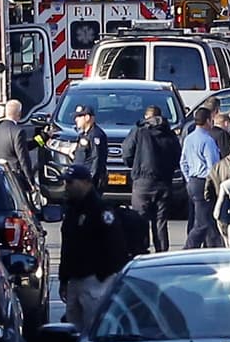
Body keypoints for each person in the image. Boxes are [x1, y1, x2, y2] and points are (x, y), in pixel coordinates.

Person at [58, 164, 130, 331]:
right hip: (75, 280)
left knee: (95, 329)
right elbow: (67, 246)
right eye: (66, 183)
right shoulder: (72, 209)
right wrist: (63, 279)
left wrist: (102, 276)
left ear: (85, 182)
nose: (66, 187)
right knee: (72, 332)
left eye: (70, 182)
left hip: (95, 280)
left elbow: (116, 245)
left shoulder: (100, 210)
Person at [121, 104, 182, 253]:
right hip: (164, 183)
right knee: (160, 222)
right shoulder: (170, 133)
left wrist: (134, 165)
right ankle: (161, 253)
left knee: (140, 220)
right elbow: (177, 156)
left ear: (147, 117)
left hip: (143, 182)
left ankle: (141, 251)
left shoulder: (139, 131)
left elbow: (127, 152)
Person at [181, 107, 222, 249]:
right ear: (207, 121)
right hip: (204, 182)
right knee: (203, 222)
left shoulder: (189, 138)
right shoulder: (207, 140)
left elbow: (183, 162)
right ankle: (188, 249)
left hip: (193, 181)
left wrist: (189, 178)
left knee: (205, 220)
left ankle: (213, 248)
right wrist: (215, 185)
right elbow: (213, 166)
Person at [0, 100, 37, 192]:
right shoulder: (18, 132)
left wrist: (43, 138)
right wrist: (30, 181)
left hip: (0, 177)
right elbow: (23, 159)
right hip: (16, 179)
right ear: (19, 114)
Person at [71, 104, 109, 190]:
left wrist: (90, 180)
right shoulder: (83, 135)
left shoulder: (96, 135)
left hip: (87, 182)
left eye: (79, 116)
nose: (76, 119)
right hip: (79, 180)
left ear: (87, 117)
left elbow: (97, 160)